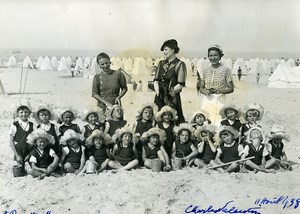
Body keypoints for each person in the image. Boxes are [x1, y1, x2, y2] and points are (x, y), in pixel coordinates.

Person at [198, 45, 234, 125]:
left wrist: (219, 91)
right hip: (207, 99)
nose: (213, 58)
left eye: (215, 55)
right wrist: (204, 91)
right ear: (208, 57)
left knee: (219, 122)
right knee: (206, 122)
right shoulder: (205, 70)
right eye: (210, 55)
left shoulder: (225, 70)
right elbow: (201, 87)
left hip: (220, 99)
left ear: (220, 56)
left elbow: (231, 88)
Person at [153, 39, 187, 123]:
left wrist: (169, 93)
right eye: (163, 50)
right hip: (159, 95)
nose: (164, 52)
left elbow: (181, 84)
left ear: (173, 50)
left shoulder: (180, 64)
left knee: (172, 118)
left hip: (172, 96)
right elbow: (156, 80)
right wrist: (157, 91)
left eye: (166, 50)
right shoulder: (161, 63)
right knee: (158, 117)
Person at [9, 104, 37, 174]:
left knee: (34, 170)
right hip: (19, 151)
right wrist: (17, 155)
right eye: (21, 112)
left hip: (30, 151)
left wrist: (30, 154)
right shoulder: (15, 125)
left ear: (29, 113)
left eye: (26, 112)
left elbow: (36, 142)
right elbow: (11, 141)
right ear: (18, 114)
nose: (24, 114)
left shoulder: (32, 125)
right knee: (19, 172)